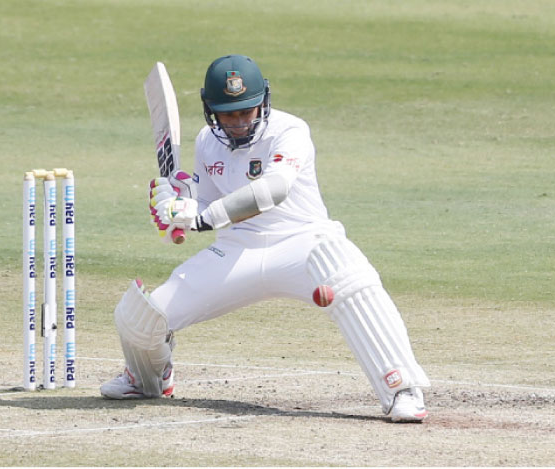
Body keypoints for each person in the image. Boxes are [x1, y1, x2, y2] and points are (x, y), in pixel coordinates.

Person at [100, 54, 431, 422]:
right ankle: (148, 378)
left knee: (350, 275)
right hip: (238, 249)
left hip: (304, 243)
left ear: (263, 102)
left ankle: (401, 387)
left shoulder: (289, 131)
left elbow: (273, 189)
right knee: (139, 319)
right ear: (211, 110)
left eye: (248, 111)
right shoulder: (207, 142)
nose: (241, 122)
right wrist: (179, 200)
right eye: (230, 114)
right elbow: (207, 197)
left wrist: (203, 217)